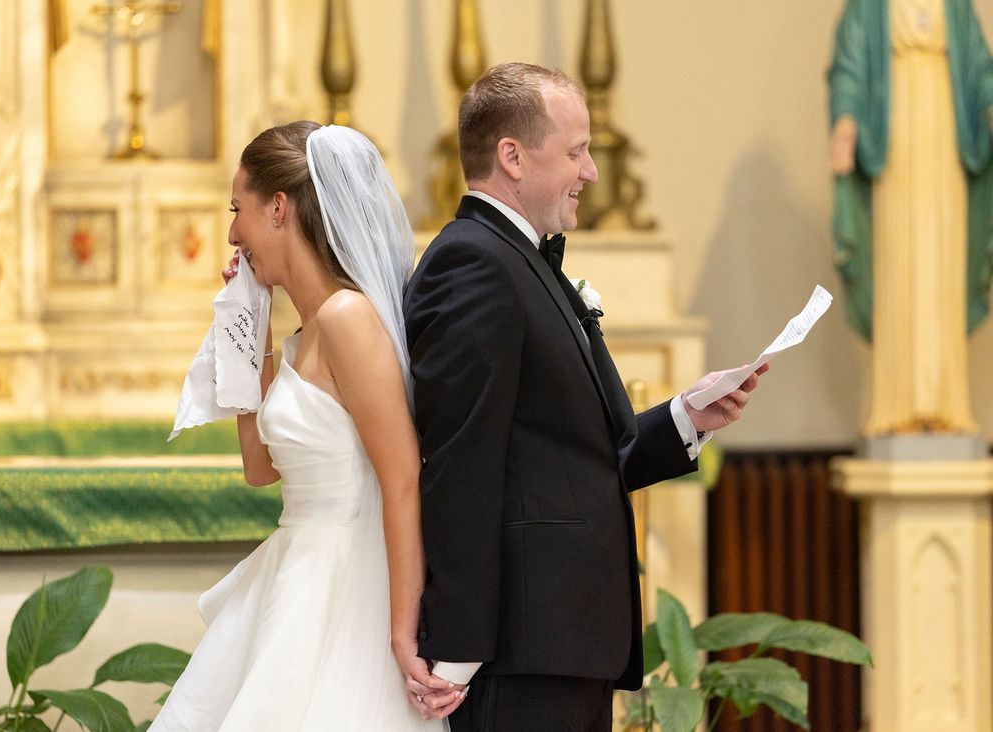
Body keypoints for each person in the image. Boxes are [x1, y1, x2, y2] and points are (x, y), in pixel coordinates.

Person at [402, 63, 766, 732]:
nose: (591, 172)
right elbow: (460, 465)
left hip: (561, 642)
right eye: (576, 152)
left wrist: (685, 418)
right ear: (512, 156)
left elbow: (573, 458)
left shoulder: (518, 258)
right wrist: (457, 649)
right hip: (518, 650)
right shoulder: (473, 263)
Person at [151, 122, 462, 730]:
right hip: (294, 576)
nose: (232, 234)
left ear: (278, 208)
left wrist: (402, 631)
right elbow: (258, 467)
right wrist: (251, 328)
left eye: (237, 210)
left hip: (347, 586)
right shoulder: (303, 335)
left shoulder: (347, 318)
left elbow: (402, 479)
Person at [828, 0, 993, 434]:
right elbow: (848, 65)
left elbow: (980, 69)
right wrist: (846, 118)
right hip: (895, 146)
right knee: (898, 266)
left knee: (944, 268)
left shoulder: (956, 6)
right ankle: (895, 407)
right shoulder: (868, 6)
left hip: (947, 143)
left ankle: (948, 406)